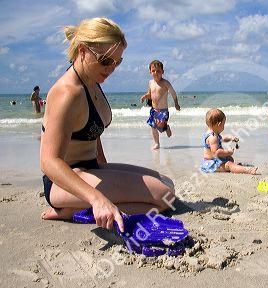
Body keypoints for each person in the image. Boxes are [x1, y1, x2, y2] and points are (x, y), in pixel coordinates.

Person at [40, 18, 175, 232]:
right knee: (164, 197)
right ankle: (72, 210)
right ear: (82, 51)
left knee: (167, 184)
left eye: (117, 62)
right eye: (105, 61)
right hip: (64, 182)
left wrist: (108, 173)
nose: (111, 68)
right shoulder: (67, 93)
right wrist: (96, 198)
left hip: (91, 168)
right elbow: (49, 161)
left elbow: (91, 131)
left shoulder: (92, 80)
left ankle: (83, 206)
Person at [200, 108, 258, 174]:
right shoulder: (213, 137)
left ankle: (236, 167)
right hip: (211, 164)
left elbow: (222, 138)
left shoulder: (213, 134)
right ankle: (247, 170)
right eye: (223, 124)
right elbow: (216, 153)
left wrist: (231, 138)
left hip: (214, 160)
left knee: (230, 159)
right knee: (229, 164)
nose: (223, 127)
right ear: (218, 124)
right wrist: (228, 152)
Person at [140, 60, 181, 150]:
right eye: (153, 71)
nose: (156, 73)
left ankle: (166, 127)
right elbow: (149, 94)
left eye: (158, 71)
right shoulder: (150, 82)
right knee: (153, 126)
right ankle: (157, 143)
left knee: (161, 127)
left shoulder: (165, 83)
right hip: (154, 110)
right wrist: (145, 96)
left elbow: (173, 93)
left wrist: (176, 104)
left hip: (163, 111)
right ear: (150, 72)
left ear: (162, 72)